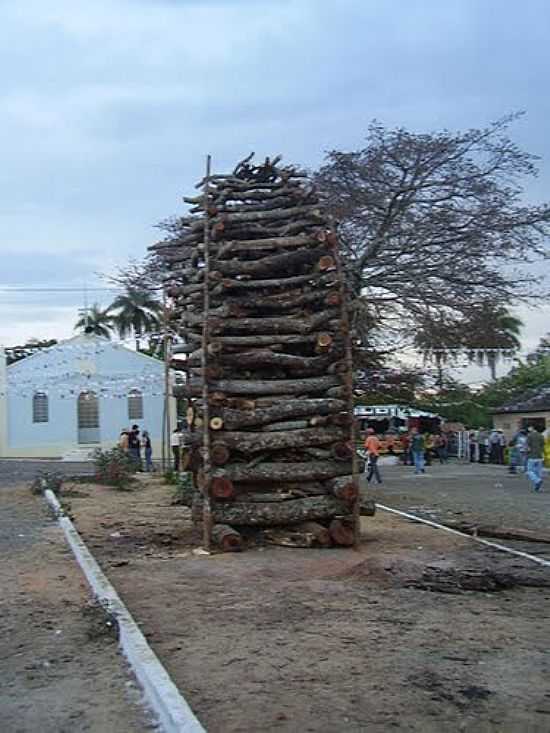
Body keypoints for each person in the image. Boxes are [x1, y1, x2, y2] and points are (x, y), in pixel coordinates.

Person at [526, 426, 544, 492]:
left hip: (532, 456)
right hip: (539, 456)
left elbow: (527, 447)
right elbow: (542, 445)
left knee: (529, 471)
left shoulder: (529, 436)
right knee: (538, 473)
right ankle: (537, 488)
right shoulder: (541, 436)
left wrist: (526, 452)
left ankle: (537, 481)